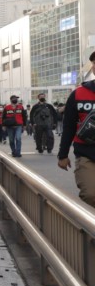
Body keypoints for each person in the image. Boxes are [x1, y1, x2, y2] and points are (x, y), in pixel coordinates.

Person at [58, 52, 95, 209]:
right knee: (90, 194)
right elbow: (69, 126)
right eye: (94, 63)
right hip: (86, 152)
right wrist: (63, 154)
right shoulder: (79, 93)